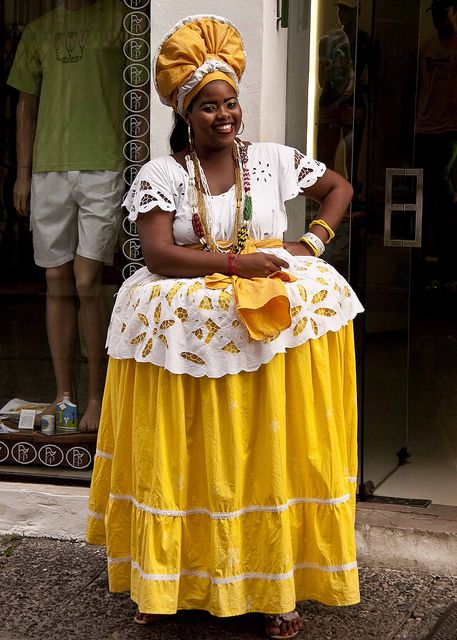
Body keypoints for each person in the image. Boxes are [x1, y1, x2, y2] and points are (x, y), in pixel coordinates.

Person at [86, 15, 363, 638]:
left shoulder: (271, 161)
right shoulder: (162, 176)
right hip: (193, 343)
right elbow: (158, 255)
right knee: (193, 457)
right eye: (209, 106)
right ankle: (168, 581)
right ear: (186, 114)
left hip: (268, 336)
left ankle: (274, 585)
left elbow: (339, 187)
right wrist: (238, 262)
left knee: (264, 456)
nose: (224, 115)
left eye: (231, 102)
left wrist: (312, 242)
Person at [7, 0, 126, 431]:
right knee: (55, 282)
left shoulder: (118, 18)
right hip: (47, 168)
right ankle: (64, 396)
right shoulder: (38, 31)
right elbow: (26, 105)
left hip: (103, 163)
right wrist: (22, 174)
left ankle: (97, 393)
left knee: (88, 282)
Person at [415, 0, 457, 289]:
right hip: (424, 128)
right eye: (435, 14)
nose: (438, 19)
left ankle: (447, 262)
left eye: (443, 12)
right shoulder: (426, 46)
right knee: (425, 198)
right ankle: (428, 263)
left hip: (450, 130)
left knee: (444, 193)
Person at [317, 0, 373, 208]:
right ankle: (325, 198)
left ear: (356, 11)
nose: (341, 14)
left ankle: (349, 198)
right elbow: (323, 78)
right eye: (340, 9)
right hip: (332, 102)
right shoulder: (329, 40)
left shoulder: (366, 41)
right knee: (325, 157)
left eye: (346, 10)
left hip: (353, 102)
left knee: (352, 160)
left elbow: (373, 77)